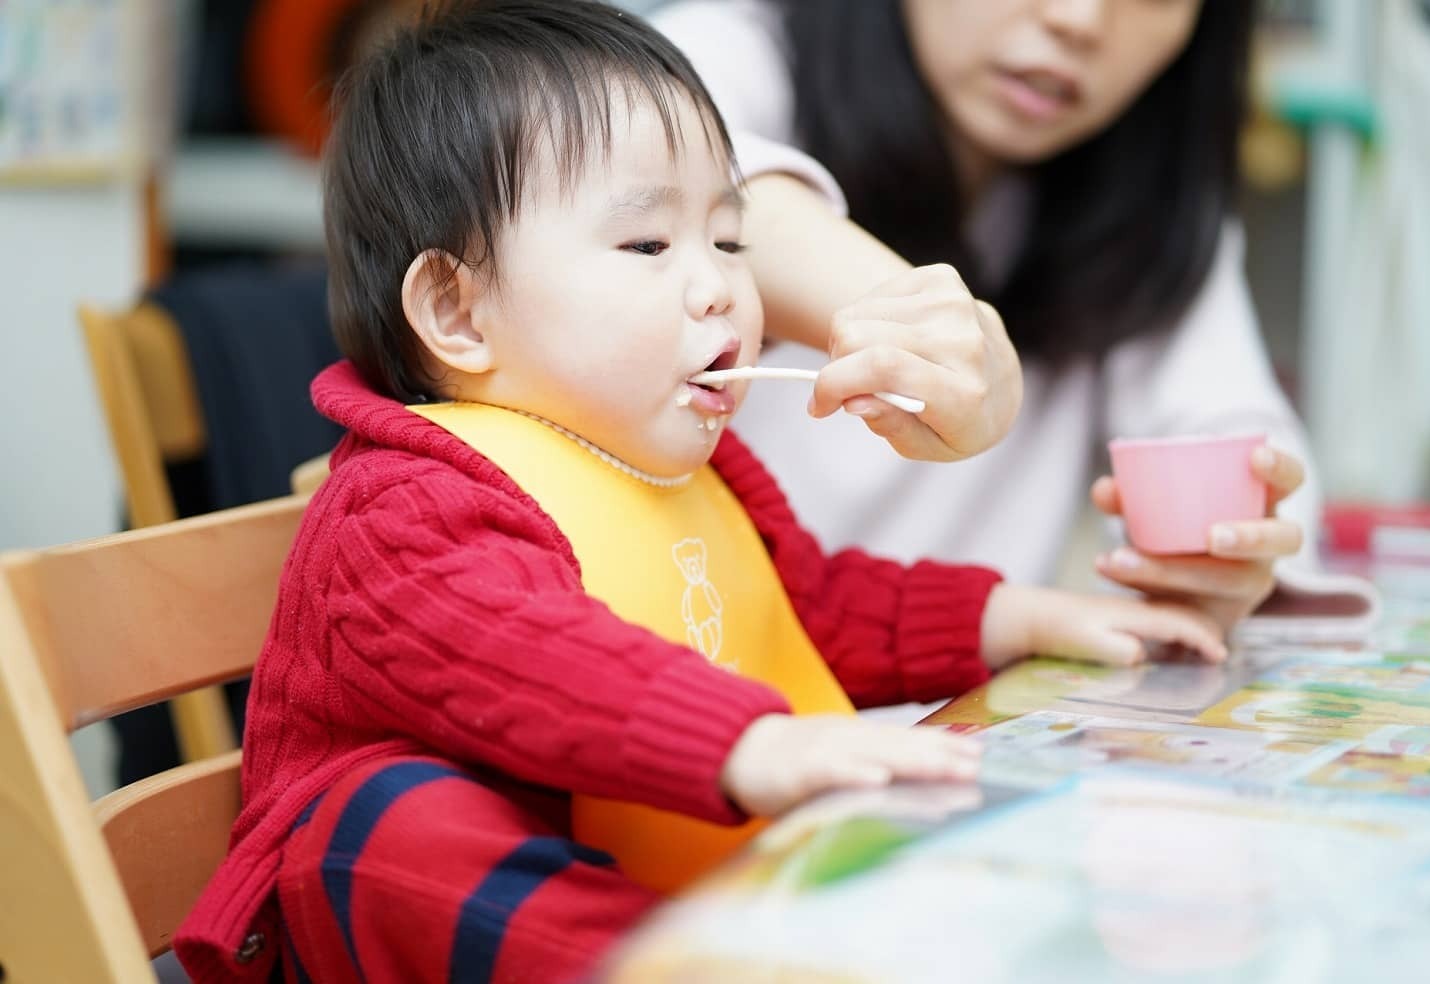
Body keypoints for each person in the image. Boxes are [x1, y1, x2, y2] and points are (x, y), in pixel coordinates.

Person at [174, 3, 1228, 981]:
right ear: (456, 309)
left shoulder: (684, 468)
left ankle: (727, 946)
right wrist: (751, 745)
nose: (720, 282)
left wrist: (1022, 616)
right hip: (376, 925)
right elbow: (547, 663)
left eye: (727, 239)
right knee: (389, 822)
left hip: (627, 857)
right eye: (646, 245)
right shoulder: (401, 508)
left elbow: (803, 608)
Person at [653, 0, 1318, 632]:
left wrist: (1235, 558)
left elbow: (1234, 435)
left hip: (955, 735)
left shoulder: (1146, 202)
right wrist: (922, 320)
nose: (1078, 20)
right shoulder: (714, 60)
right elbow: (667, 168)